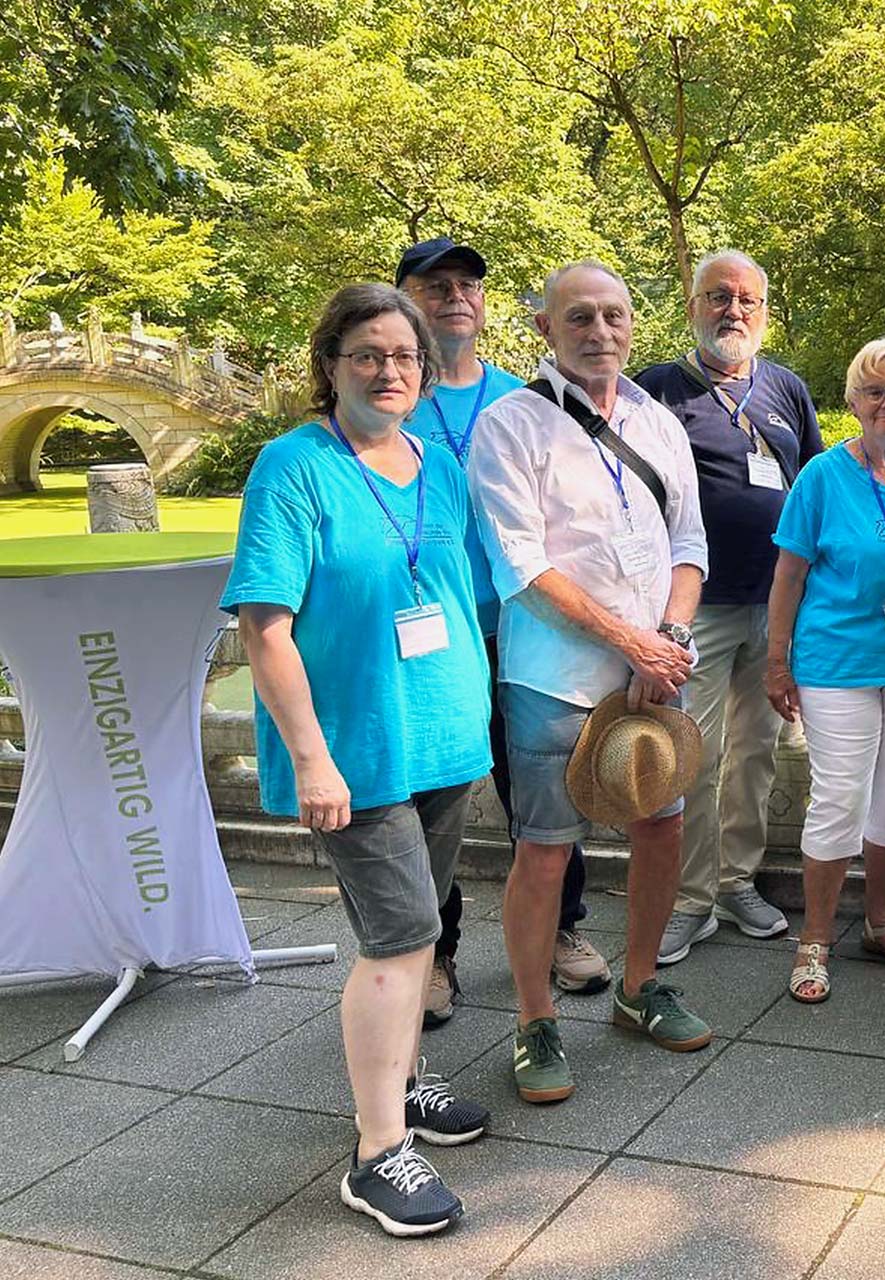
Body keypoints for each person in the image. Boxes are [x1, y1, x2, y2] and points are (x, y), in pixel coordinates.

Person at [223, 283, 492, 1236]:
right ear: (329, 365)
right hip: (357, 751)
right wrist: (312, 759)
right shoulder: (293, 469)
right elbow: (265, 628)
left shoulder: (438, 463)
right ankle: (378, 1154)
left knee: (424, 925)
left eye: (404, 357)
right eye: (367, 355)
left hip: (447, 739)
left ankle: (408, 1083)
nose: (389, 371)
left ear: (425, 369)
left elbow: (454, 590)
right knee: (401, 936)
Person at [466, 261, 711, 1105]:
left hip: (658, 673)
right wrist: (630, 643)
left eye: (614, 316)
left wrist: (668, 641)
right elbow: (522, 564)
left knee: (662, 830)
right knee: (544, 849)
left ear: (634, 324)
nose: (600, 331)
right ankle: (536, 1019)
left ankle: (640, 988)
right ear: (543, 329)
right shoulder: (510, 426)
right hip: (556, 680)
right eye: (579, 317)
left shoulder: (658, 419)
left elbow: (690, 544)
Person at [395, 236, 609, 1027]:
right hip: (435, 638)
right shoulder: (394, 400)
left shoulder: (526, 400)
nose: (455, 297)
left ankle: (559, 930)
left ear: (485, 306)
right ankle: (435, 951)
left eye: (467, 286)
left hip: (524, 633)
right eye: (435, 285)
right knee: (437, 801)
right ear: (407, 301)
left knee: (544, 794)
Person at [638, 250, 824, 963]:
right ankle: (689, 899)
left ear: (766, 313)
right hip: (697, 609)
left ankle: (738, 881)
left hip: (774, 607)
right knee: (695, 756)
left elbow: (809, 493)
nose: (733, 311)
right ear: (693, 307)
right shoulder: (656, 389)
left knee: (755, 755)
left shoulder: (786, 389)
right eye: (718, 298)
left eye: (747, 300)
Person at [765, 338, 885, 1001]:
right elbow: (788, 574)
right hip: (836, 662)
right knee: (840, 794)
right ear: (851, 402)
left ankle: (880, 922)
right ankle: (812, 939)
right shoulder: (822, 477)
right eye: (874, 391)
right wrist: (776, 662)